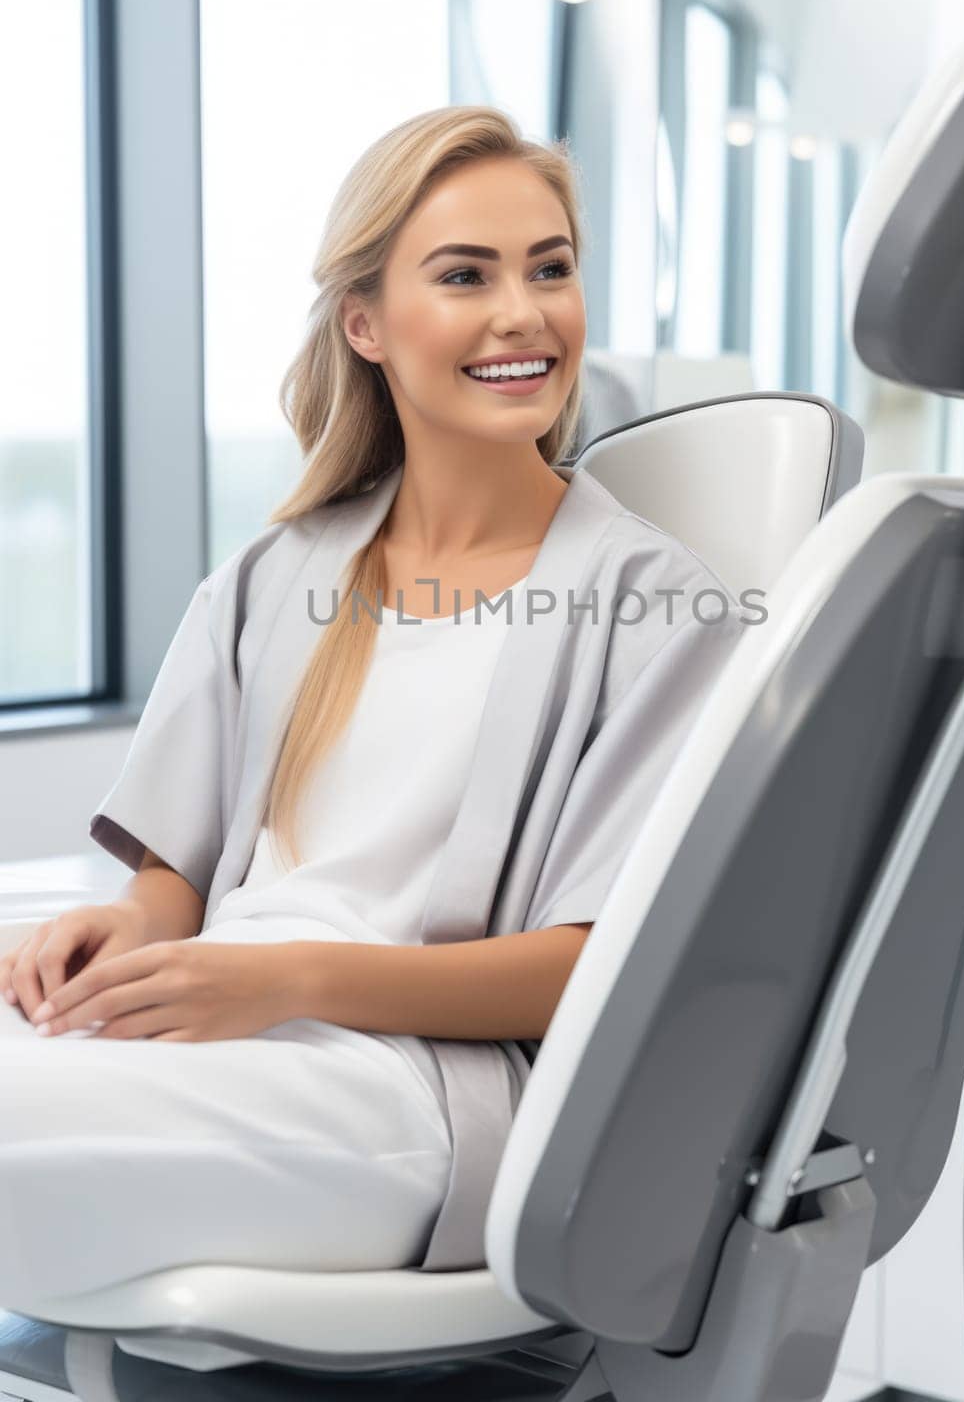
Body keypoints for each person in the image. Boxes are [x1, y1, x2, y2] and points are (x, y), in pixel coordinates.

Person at [0, 107, 746, 1302]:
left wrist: (287, 980)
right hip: (221, 1034)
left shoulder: (654, 607)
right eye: (465, 275)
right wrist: (131, 934)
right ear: (365, 324)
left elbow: (597, 967)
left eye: (549, 268)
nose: (523, 313)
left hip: (406, 1092)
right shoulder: (274, 575)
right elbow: (175, 878)